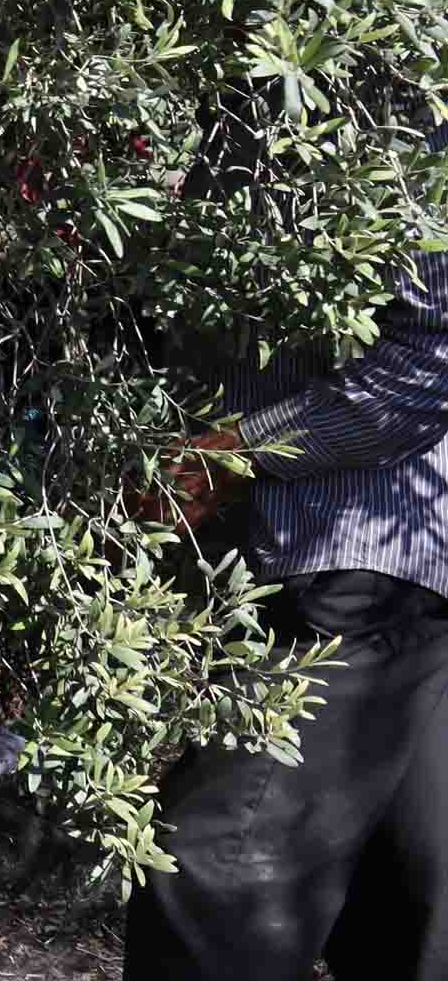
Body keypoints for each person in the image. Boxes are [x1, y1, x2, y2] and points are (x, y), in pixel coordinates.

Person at [125, 248, 448, 977]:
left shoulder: (418, 136)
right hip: (383, 563)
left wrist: (235, 450)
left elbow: (428, 362)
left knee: (215, 881)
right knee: (412, 901)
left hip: (352, 551)